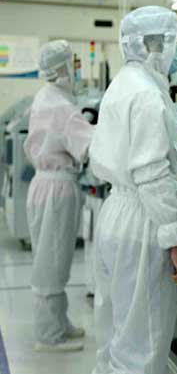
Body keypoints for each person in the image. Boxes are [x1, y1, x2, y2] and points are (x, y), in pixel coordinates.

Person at [90, 6, 177, 374]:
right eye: (175, 41)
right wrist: (175, 239)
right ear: (157, 44)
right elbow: (151, 173)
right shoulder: (148, 95)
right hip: (143, 222)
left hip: (116, 214)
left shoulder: (122, 84)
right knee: (142, 348)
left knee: (114, 337)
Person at [25, 40, 95, 352]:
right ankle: (48, 335)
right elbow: (87, 146)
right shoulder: (62, 107)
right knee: (52, 261)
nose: (76, 67)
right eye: (73, 62)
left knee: (53, 256)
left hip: (45, 185)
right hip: (57, 187)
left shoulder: (47, 96)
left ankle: (59, 321)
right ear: (62, 68)